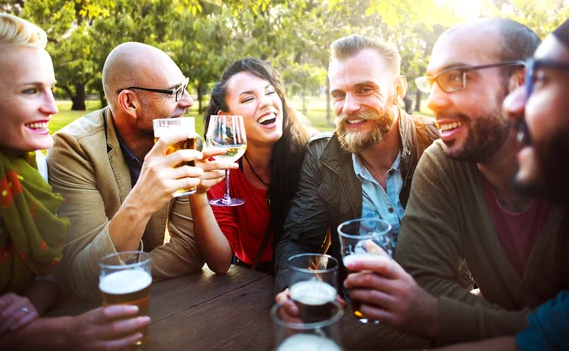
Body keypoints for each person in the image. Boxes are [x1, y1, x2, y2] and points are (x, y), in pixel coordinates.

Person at [344, 18, 569, 346]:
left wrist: (437, 316)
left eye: (455, 78)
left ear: (522, 82)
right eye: (431, 82)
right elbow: (423, 282)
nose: (433, 102)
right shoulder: (443, 162)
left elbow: (425, 306)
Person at [0, 12, 149, 350]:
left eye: (51, 89)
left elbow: (55, 268)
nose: (52, 108)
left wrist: (29, 306)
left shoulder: (33, 166)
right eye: (30, 91)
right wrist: (61, 334)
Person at [47, 42, 234, 300]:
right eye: (175, 92)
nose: (189, 101)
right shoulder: (73, 150)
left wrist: (121, 272)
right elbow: (84, 280)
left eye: (185, 86)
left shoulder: (181, 143)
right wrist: (144, 198)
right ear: (130, 103)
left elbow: (190, 252)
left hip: (160, 305)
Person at [433, 18, 569, 351]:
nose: (513, 104)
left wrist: (429, 312)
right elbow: (550, 332)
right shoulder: (443, 161)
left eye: (542, 81)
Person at [274, 34, 438, 292]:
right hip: (356, 314)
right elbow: (300, 242)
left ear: (397, 90)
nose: (349, 107)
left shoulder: (438, 143)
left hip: (441, 316)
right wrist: (297, 289)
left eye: (364, 89)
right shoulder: (321, 157)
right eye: (339, 94)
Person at [192, 58, 311, 275]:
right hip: (249, 278)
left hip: (300, 275)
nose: (265, 102)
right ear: (227, 118)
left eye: (269, 92)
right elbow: (219, 263)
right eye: (248, 98)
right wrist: (198, 196)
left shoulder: (309, 155)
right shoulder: (218, 169)